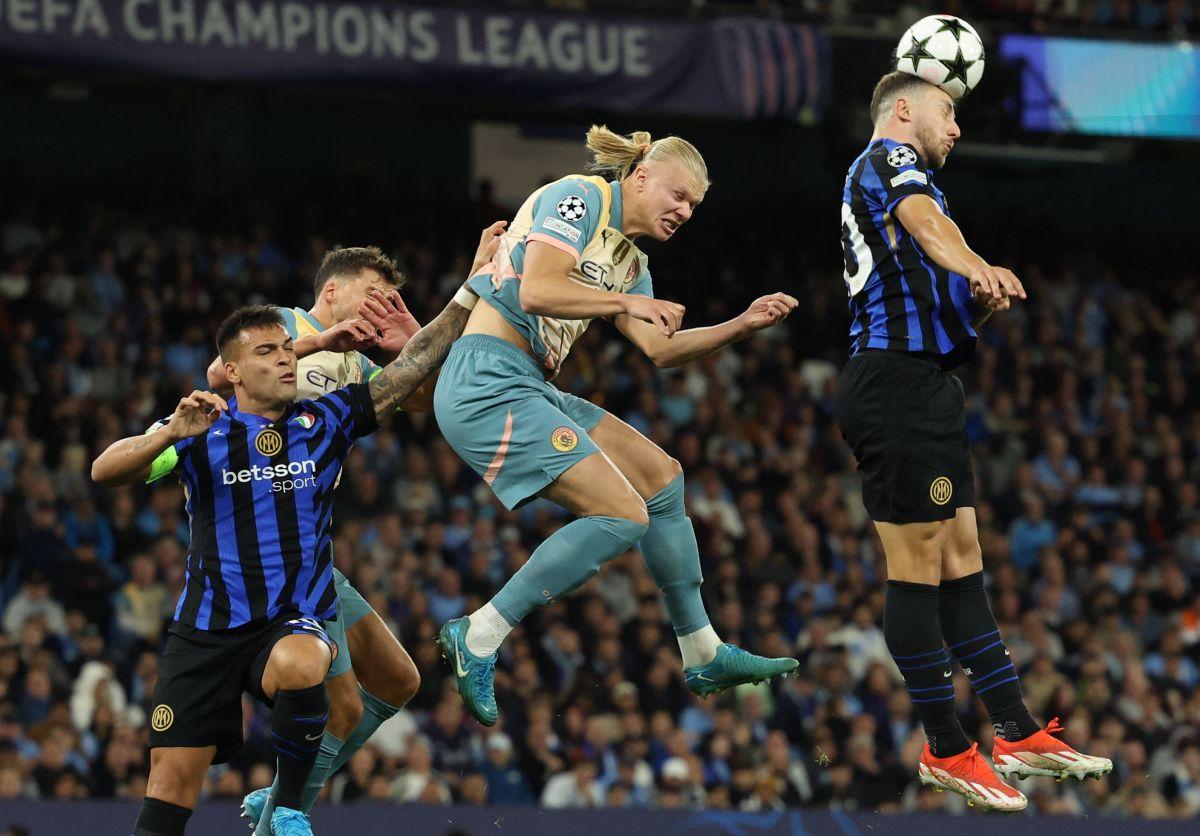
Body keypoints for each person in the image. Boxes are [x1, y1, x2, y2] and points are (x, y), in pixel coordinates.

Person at [432, 125, 800, 728]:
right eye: (677, 196)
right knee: (623, 515)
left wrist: (741, 323)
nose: (684, 212)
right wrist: (627, 304)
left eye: (694, 207)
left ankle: (702, 651)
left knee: (661, 479)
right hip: (484, 381)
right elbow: (537, 289)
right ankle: (479, 633)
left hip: (527, 384)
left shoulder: (629, 260)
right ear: (641, 175)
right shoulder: (577, 198)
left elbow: (661, 349)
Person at [92, 292, 475, 836]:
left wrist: (469, 293)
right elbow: (104, 471)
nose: (286, 359)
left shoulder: (327, 419)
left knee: (303, 659)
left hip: (286, 622)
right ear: (232, 371)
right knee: (171, 786)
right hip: (205, 630)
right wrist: (170, 433)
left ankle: (287, 809)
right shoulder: (201, 429)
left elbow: (409, 370)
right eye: (268, 351)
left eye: (288, 350)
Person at [833, 70, 1112, 811]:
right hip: (891, 384)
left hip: (926, 385)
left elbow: (950, 317)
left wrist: (979, 298)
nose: (956, 127)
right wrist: (975, 262)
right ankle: (945, 746)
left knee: (961, 557)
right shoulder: (890, 162)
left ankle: (1015, 731)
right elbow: (927, 224)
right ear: (901, 110)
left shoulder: (922, 194)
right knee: (918, 561)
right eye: (947, 111)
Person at [204, 230, 503, 833]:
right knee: (339, 706)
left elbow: (425, 396)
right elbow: (218, 373)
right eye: (374, 296)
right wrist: (317, 341)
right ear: (332, 291)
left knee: (399, 679)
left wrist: (408, 335)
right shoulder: (285, 326)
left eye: (389, 300)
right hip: (267, 552)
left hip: (312, 548)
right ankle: (286, 809)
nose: (379, 308)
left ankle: (286, 793)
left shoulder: (355, 365)